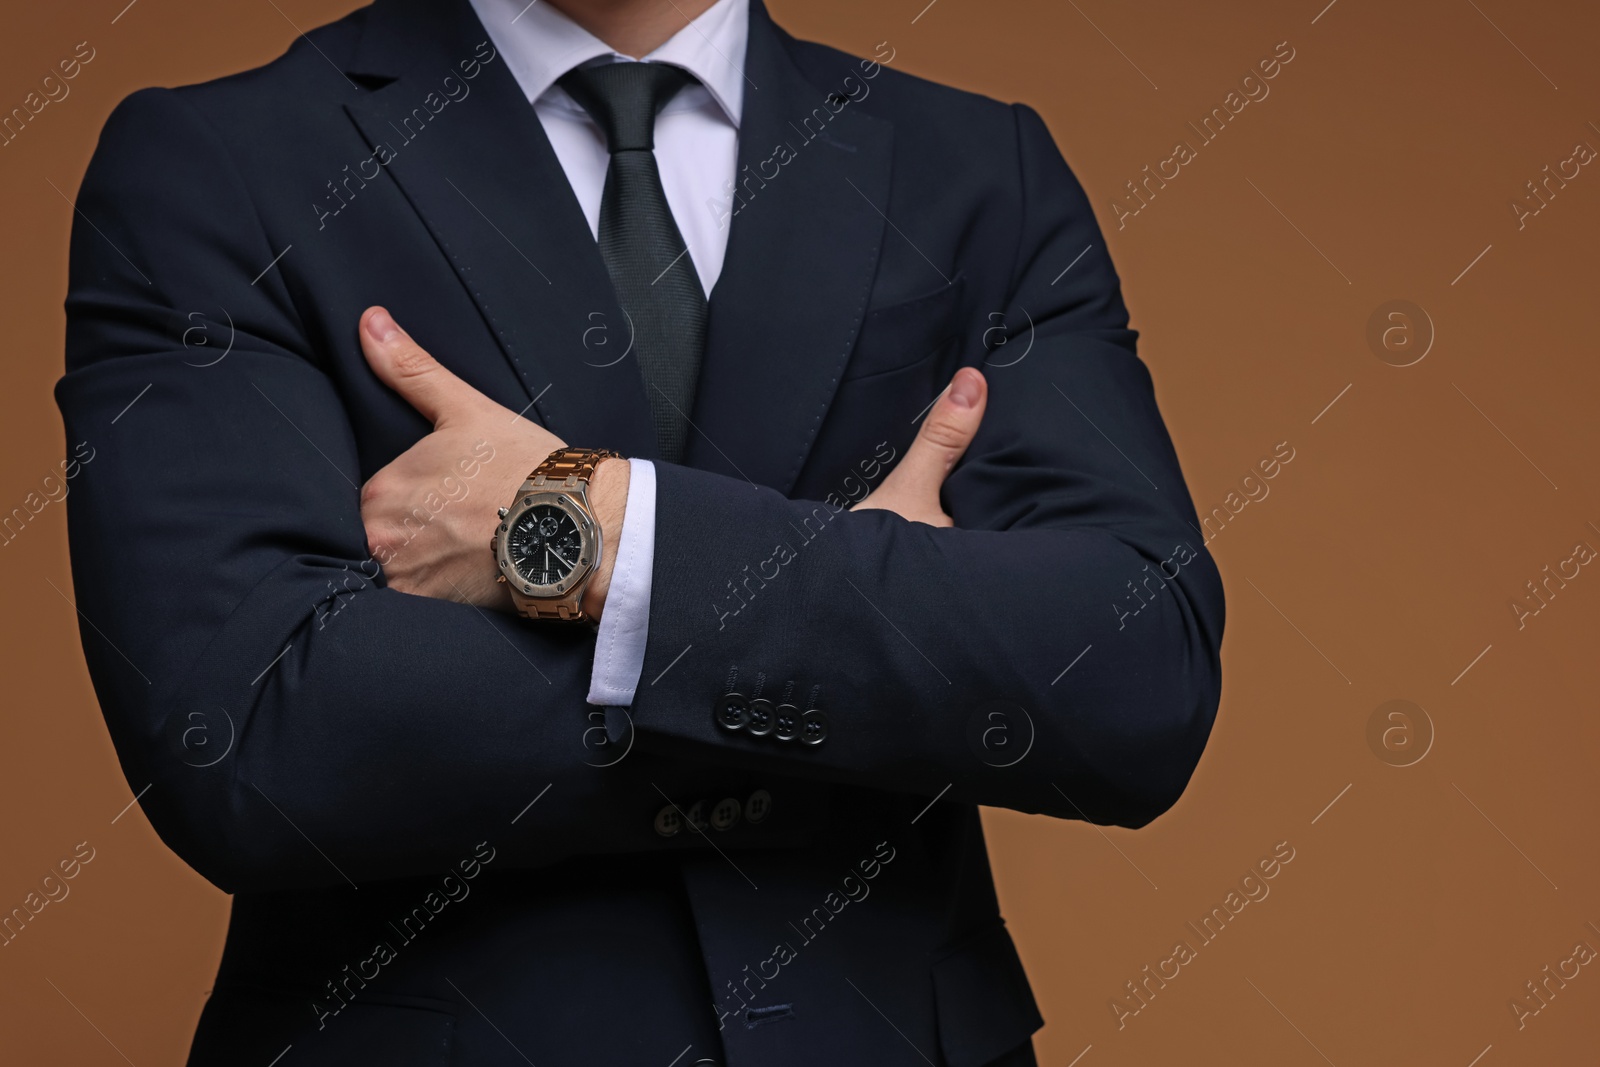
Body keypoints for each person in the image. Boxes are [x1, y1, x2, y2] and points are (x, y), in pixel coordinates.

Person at [55, 0, 1225, 1063]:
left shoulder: (979, 168)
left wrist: (599, 531)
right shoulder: (216, 162)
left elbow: (1131, 677)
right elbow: (250, 739)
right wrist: (875, 652)